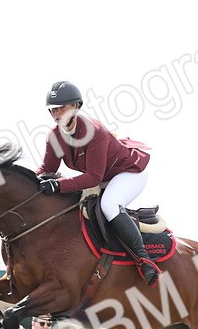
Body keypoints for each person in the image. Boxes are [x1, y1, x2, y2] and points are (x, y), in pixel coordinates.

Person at [37, 80, 158, 285]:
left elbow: (93, 177)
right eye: (53, 110)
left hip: (129, 173)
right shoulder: (54, 136)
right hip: (103, 177)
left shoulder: (94, 132)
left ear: (76, 106)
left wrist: (57, 185)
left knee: (108, 205)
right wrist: (26, 180)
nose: (57, 114)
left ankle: (143, 259)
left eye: (62, 108)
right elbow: (47, 170)